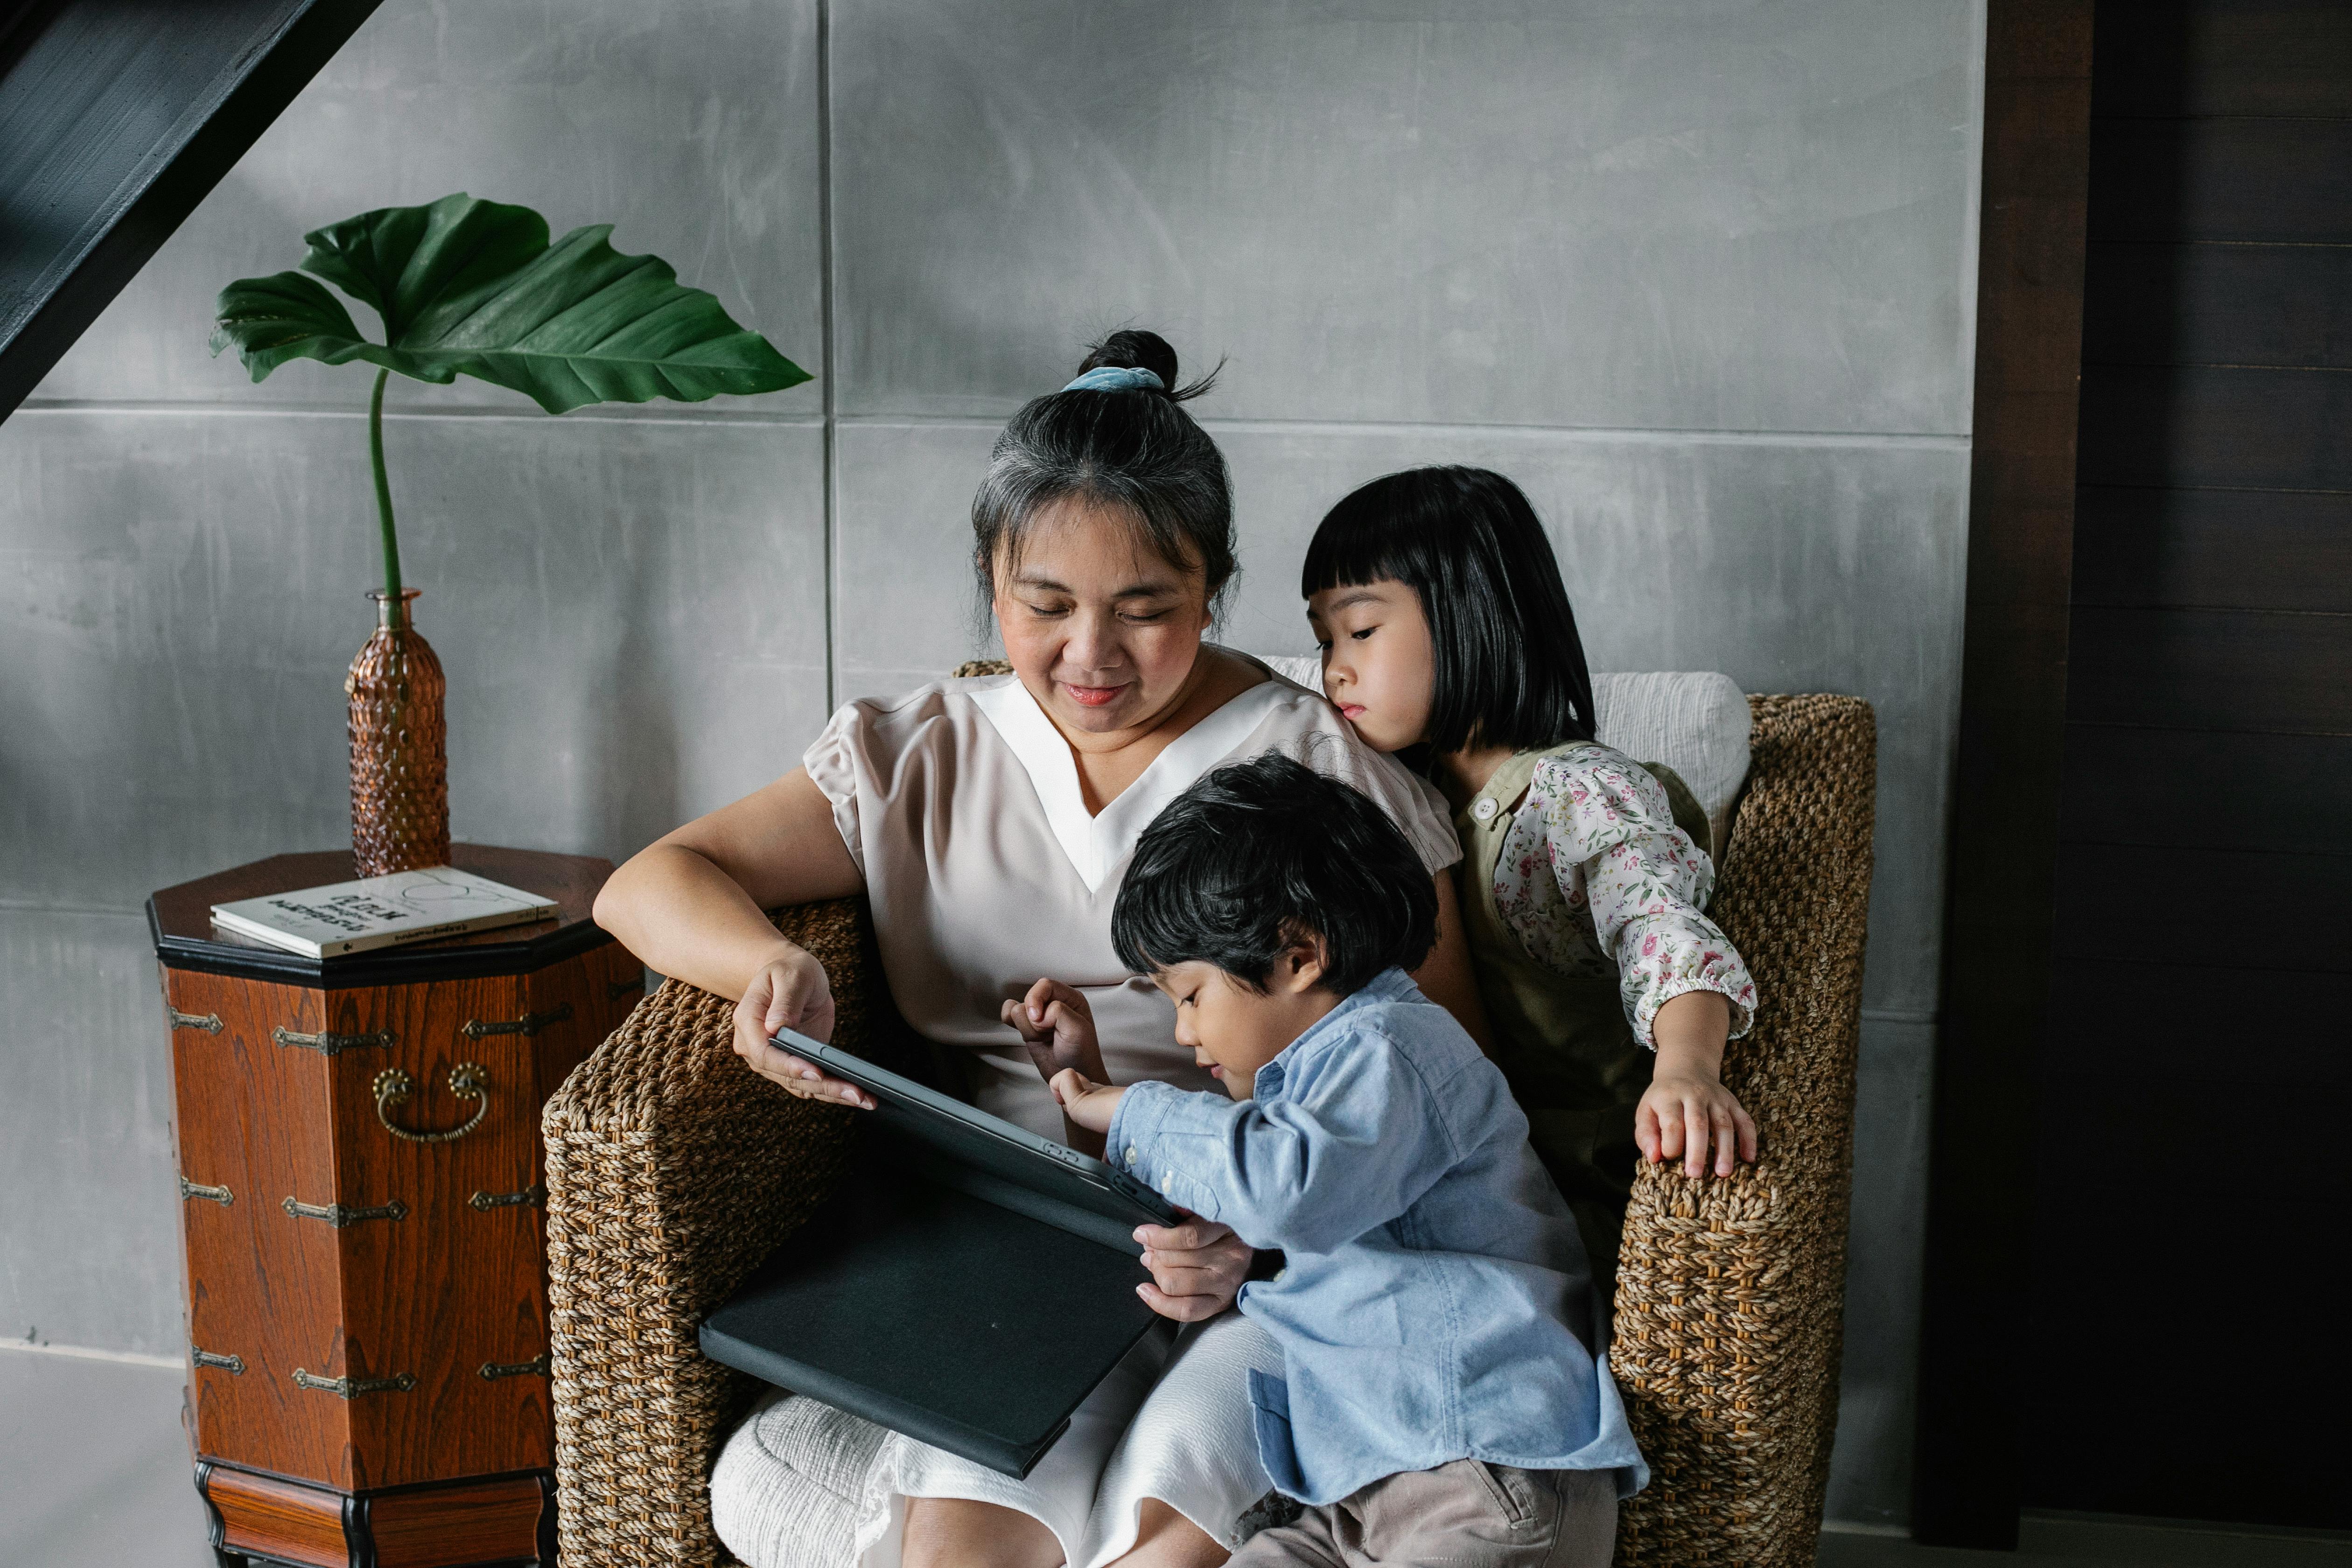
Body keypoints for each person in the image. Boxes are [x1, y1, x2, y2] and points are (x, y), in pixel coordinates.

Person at [592, 332, 1488, 1568]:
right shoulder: (919, 751)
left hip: (1267, 1261)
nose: (1093, 661)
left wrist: (1261, 1240)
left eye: (1147, 611)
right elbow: (650, 883)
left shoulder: (1316, 768)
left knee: (1169, 1530)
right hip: (1011, 1260)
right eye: (1045, 607)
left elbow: (1447, 1076)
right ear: (989, 579)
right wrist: (763, 967)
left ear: (1214, 588)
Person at [1037, 753, 1642, 1568]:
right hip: (1356, 1498)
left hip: (1485, 1473)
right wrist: (1084, 1085)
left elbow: (1286, 1189)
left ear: (1298, 956)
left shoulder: (1392, 1046)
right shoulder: (1305, 1100)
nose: (1185, 1034)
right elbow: (1243, 1193)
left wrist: (1125, 1106)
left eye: (1189, 996)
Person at [1297, 465, 1760, 1292]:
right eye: (1324, 639)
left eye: (1360, 631)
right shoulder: (1411, 798)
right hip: (1448, 1161)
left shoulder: (1578, 794)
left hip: (1570, 1189)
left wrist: (1687, 1068)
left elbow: (1664, 933)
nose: (1334, 668)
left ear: (1470, 614)